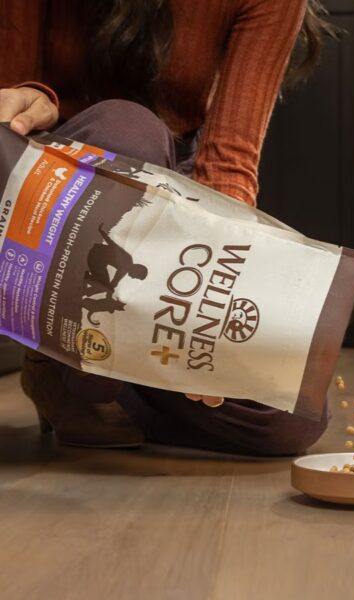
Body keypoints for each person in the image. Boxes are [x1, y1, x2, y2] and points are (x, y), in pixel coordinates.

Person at [0, 0, 333, 455]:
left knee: (292, 418)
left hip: (176, 193)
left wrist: (205, 315)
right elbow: (10, 99)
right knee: (130, 131)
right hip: (48, 183)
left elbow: (228, 165)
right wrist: (29, 96)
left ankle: (93, 377)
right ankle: (69, 367)